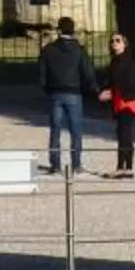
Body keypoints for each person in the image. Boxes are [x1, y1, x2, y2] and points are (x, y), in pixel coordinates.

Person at [36, 15, 100, 175]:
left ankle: (55, 164)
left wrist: (47, 89)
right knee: (76, 130)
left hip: (56, 93)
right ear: (73, 30)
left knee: (55, 130)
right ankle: (76, 164)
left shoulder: (48, 50)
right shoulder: (79, 50)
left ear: (59, 30)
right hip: (74, 92)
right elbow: (87, 72)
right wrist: (95, 89)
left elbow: (42, 73)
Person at [99, 30, 135, 177]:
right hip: (119, 102)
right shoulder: (115, 62)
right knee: (122, 133)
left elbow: (132, 82)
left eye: (118, 41)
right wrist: (107, 91)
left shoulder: (127, 62)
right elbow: (112, 81)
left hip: (128, 102)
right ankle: (123, 167)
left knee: (125, 134)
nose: (114, 44)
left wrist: (112, 92)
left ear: (124, 44)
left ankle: (125, 168)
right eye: (112, 41)